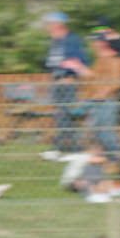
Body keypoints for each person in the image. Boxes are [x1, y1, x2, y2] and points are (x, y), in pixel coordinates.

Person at [41, 11, 90, 159]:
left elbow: (82, 61)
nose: (47, 26)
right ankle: (72, 147)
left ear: (59, 24)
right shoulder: (54, 42)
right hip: (56, 83)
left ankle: (62, 147)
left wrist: (72, 69)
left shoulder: (72, 40)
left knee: (65, 115)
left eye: (50, 23)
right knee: (62, 115)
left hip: (67, 83)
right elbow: (50, 64)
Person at [84, 29, 120, 153]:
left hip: (108, 101)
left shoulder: (115, 59)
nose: (92, 44)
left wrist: (104, 92)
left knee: (106, 133)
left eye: (94, 41)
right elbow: (95, 77)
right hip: (95, 100)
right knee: (95, 131)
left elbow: (118, 81)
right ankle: (103, 158)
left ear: (102, 43)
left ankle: (116, 157)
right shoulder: (99, 59)